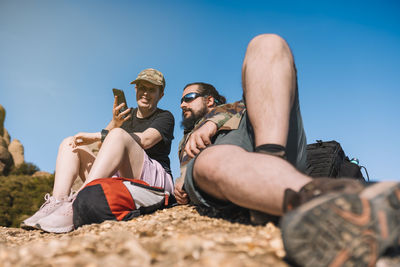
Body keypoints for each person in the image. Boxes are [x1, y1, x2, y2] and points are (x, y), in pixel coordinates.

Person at [174, 34, 400, 266]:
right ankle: (330, 203)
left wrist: (213, 121)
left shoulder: (229, 109)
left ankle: (272, 166)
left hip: (274, 144)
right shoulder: (186, 139)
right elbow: (188, 171)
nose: (182, 104)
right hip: (226, 166)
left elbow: (250, 99)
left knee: (267, 43)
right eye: (181, 101)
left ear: (209, 100)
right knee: (212, 159)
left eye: (189, 98)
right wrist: (181, 179)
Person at [22, 68, 175, 233]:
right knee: (70, 144)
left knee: (118, 135)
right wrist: (114, 123)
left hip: (155, 180)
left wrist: (101, 134)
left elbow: (145, 140)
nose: (146, 93)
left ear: (161, 95)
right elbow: (104, 150)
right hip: (121, 177)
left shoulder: (165, 117)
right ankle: (57, 203)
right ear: (135, 89)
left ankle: (76, 204)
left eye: (152, 89)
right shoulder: (125, 115)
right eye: (142, 88)